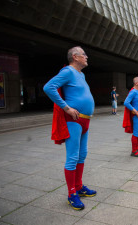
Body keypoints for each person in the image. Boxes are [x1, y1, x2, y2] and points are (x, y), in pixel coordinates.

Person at [43, 46, 96, 211]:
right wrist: (66, 108)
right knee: (73, 157)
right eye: (84, 54)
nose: (86, 57)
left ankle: (79, 187)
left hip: (85, 120)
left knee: (82, 154)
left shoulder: (81, 74)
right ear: (75, 57)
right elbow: (48, 87)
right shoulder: (68, 71)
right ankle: (71, 193)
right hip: (73, 120)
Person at [123, 77, 138, 157]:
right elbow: (126, 103)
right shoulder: (133, 92)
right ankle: (134, 151)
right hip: (137, 116)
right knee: (136, 133)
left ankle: (136, 148)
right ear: (136, 83)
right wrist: (135, 111)